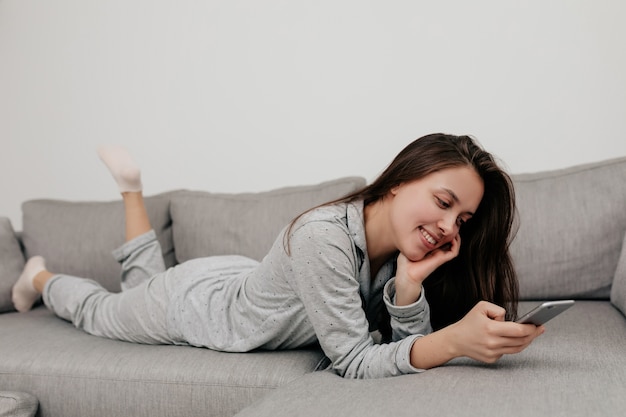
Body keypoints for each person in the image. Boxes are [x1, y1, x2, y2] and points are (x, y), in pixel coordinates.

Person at [11, 133, 544, 379]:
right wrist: (451, 341)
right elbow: (356, 362)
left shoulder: (395, 254)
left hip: (234, 279)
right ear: (401, 179)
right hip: (192, 306)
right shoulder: (323, 237)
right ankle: (40, 278)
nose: (450, 228)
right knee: (102, 311)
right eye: (445, 203)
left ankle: (131, 189)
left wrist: (408, 286)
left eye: (463, 222)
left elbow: (399, 350)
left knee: (137, 287)